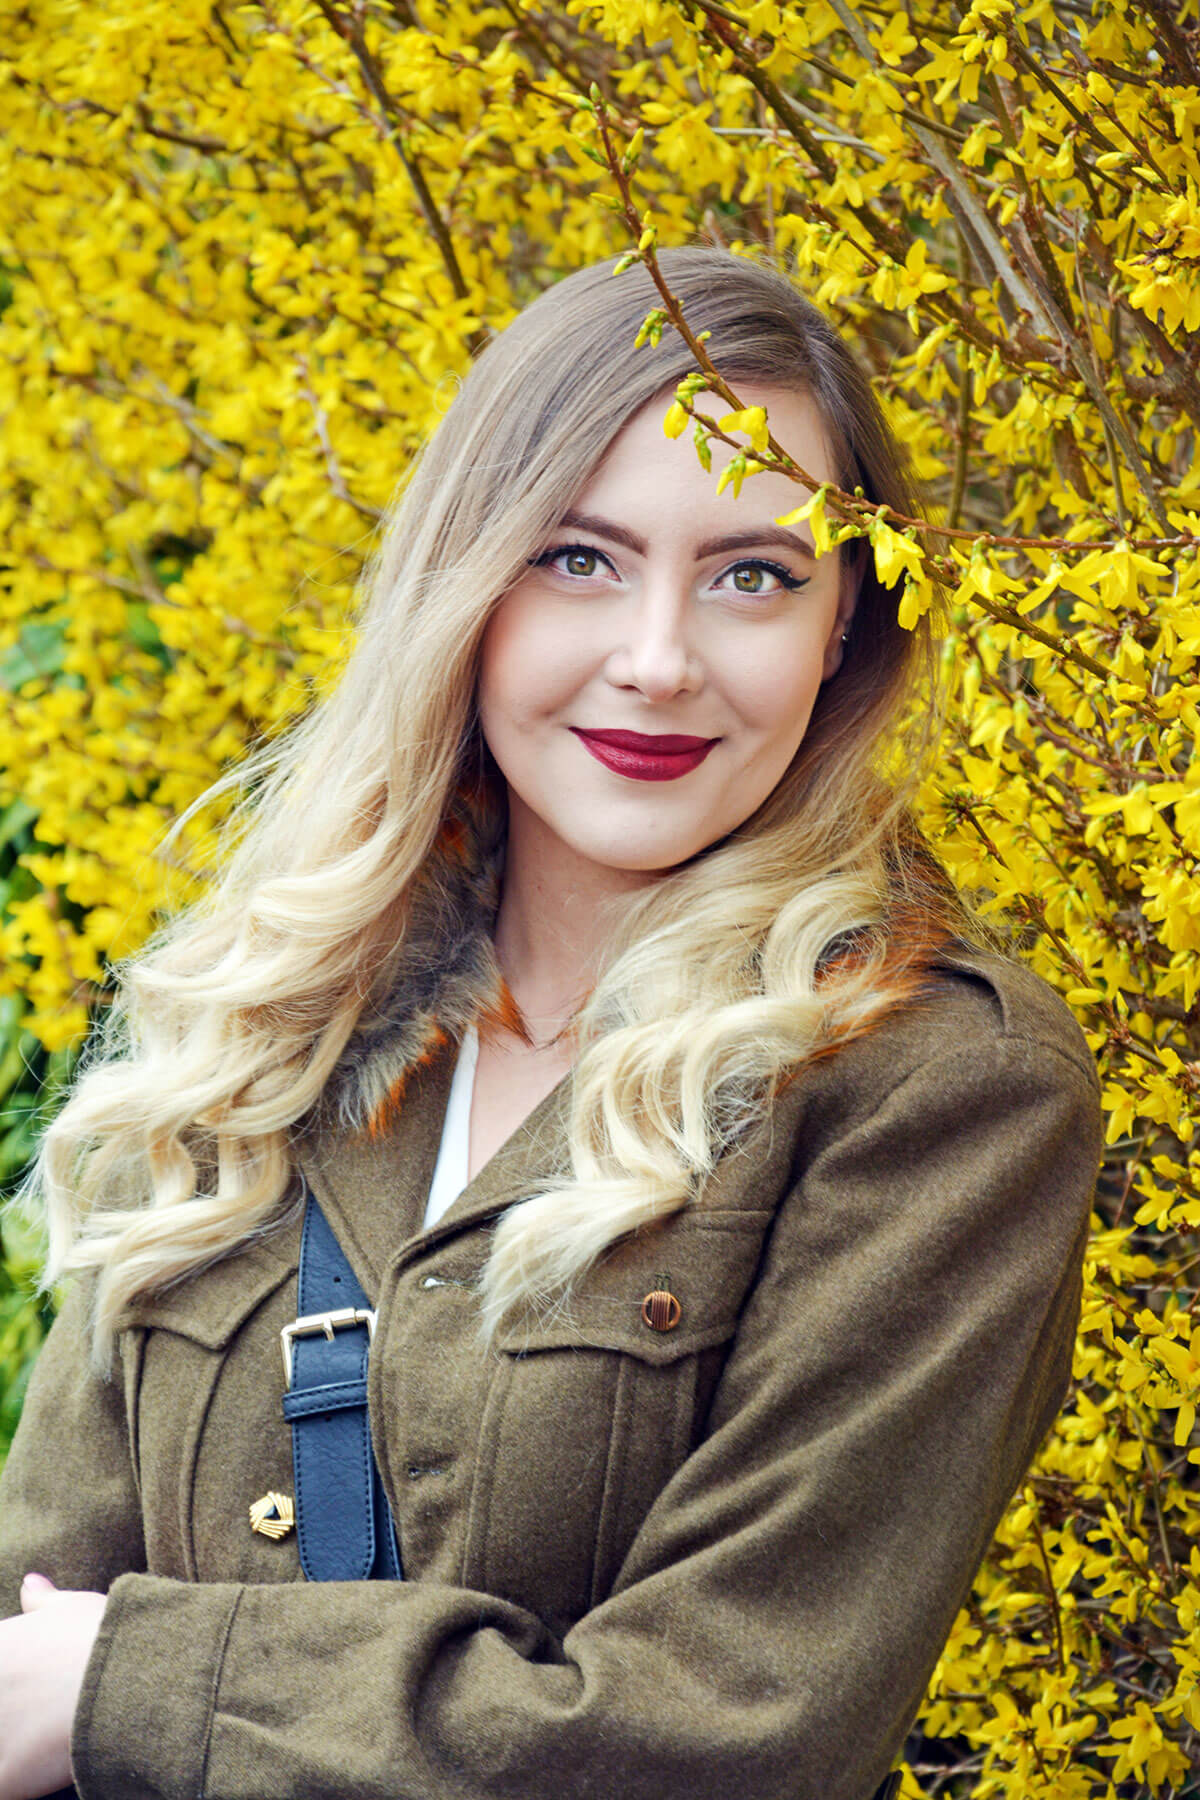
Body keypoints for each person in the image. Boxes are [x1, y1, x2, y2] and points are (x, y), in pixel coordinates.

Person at [0, 246, 1102, 1800]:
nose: (657, 661)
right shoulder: (267, 1023)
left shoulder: (936, 1090)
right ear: (469, 583)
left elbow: (730, 1732)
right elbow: (26, 1634)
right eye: (580, 558)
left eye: (754, 576)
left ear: (846, 623)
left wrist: (141, 1684)